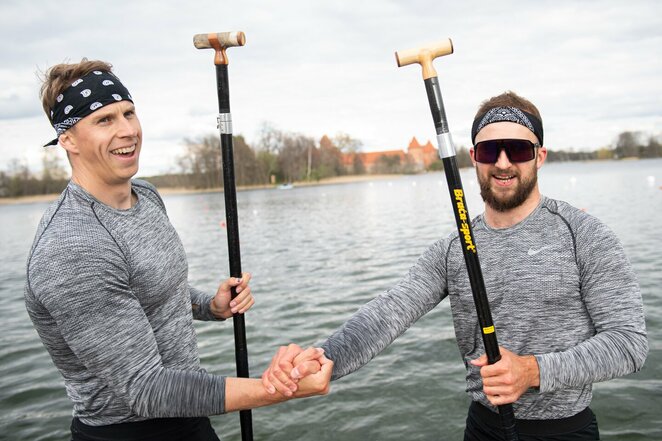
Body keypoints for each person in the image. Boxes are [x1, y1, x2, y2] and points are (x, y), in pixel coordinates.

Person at [262, 91, 648, 440]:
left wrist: (533, 371)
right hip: (482, 427)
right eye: (488, 150)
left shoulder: (583, 234)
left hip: (565, 430)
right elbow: (391, 309)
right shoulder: (453, 248)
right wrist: (326, 356)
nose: (502, 163)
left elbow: (629, 343)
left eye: (517, 149)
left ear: (540, 156)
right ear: (472, 157)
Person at [24, 59, 331, 441]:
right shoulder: (72, 248)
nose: (127, 130)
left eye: (129, 113)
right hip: (129, 433)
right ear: (67, 139)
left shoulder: (147, 196)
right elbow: (146, 389)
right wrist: (278, 388)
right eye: (104, 120)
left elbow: (144, 288)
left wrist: (209, 306)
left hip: (189, 416)